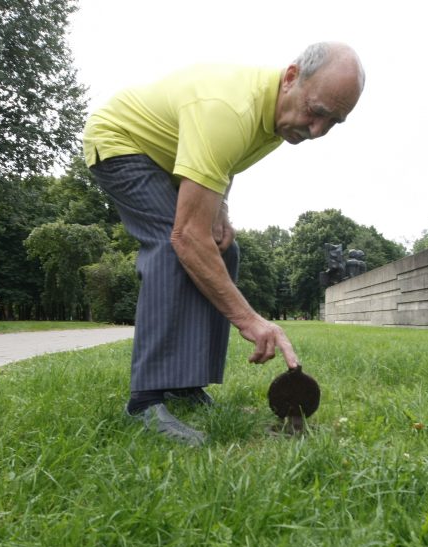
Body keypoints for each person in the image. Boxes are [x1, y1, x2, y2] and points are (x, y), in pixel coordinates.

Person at [84, 41, 365, 445]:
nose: (317, 130)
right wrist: (250, 320)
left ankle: (185, 384)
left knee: (222, 249)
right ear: (290, 78)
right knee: (171, 242)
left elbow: (222, 163)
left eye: (333, 122)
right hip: (121, 140)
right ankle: (144, 401)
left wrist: (221, 209)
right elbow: (185, 236)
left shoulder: (278, 118)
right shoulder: (230, 109)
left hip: (170, 154)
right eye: (316, 112)